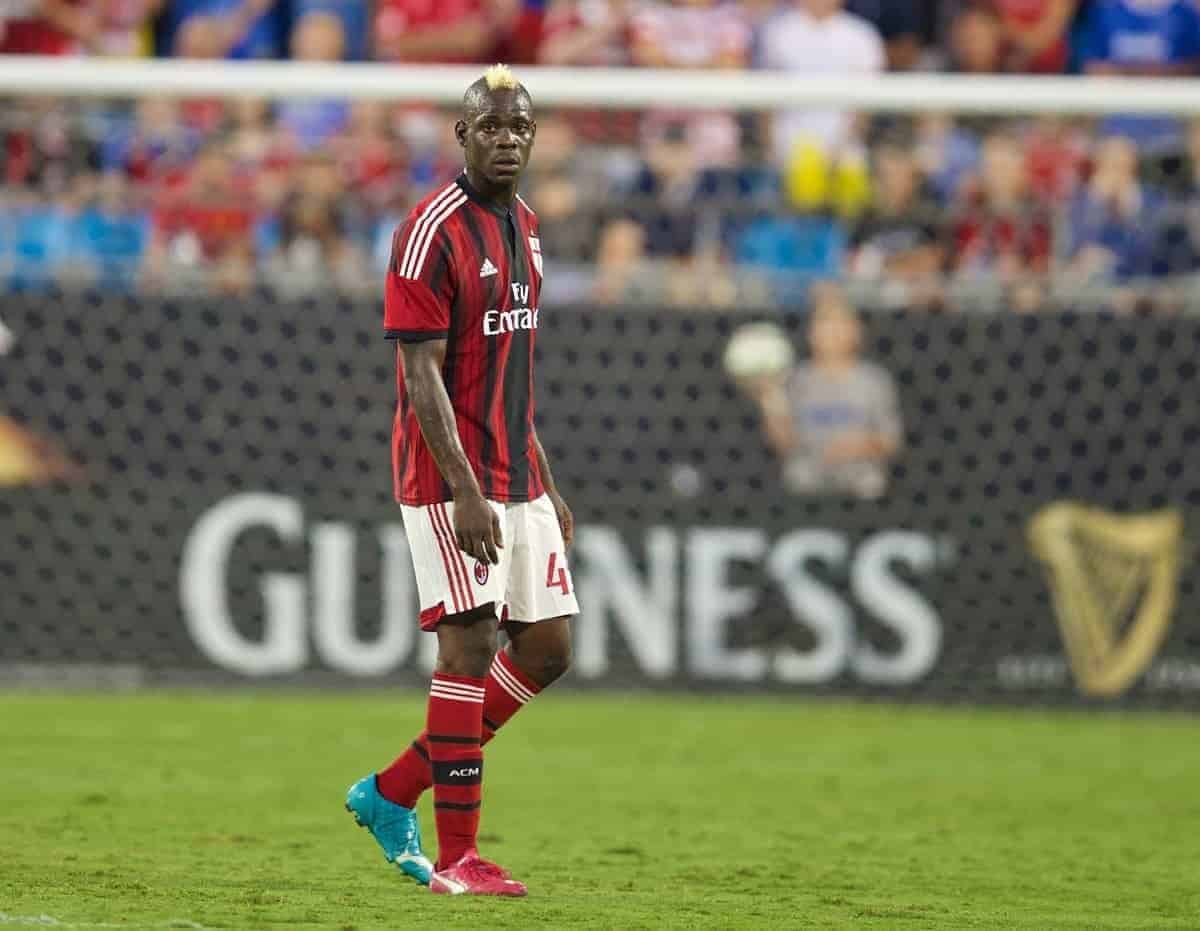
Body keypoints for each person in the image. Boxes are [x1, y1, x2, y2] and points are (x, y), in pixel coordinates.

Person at [345, 64, 577, 898]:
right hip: (450, 481)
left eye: (520, 127)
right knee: (471, 644)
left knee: (547, 648)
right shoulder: (428, 231)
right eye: (491, 127)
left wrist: (540, 477)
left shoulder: (527, 226)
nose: (507, 139)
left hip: (516, 471)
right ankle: (456, 859)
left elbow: (508, 367)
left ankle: (392, 790)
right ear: (462, 135)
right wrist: (469, 488)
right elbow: (421, 373)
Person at [739, 284, 902, 499]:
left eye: (839, 324)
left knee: (869, 482)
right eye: (824, 323)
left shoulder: (874, 380)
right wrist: (770, 400)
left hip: (860, 476)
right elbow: (784, 444)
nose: (831, 332)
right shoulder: (795, 379)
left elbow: (891, 441)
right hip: (809, 475)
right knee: (799, 476)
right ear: (812, 333)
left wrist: (860, 445)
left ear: (856, 332)